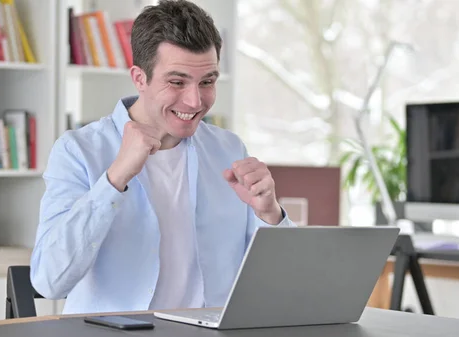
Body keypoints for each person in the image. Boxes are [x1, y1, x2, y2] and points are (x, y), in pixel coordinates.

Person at [30, 0, 294, 315]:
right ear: (139, 78)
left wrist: (271, 216)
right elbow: (49, 281)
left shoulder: (229, 150)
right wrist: (115, 179)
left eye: (207, 81)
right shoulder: (78, 151)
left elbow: (280, 284)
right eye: (177, 82)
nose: (195, 101)